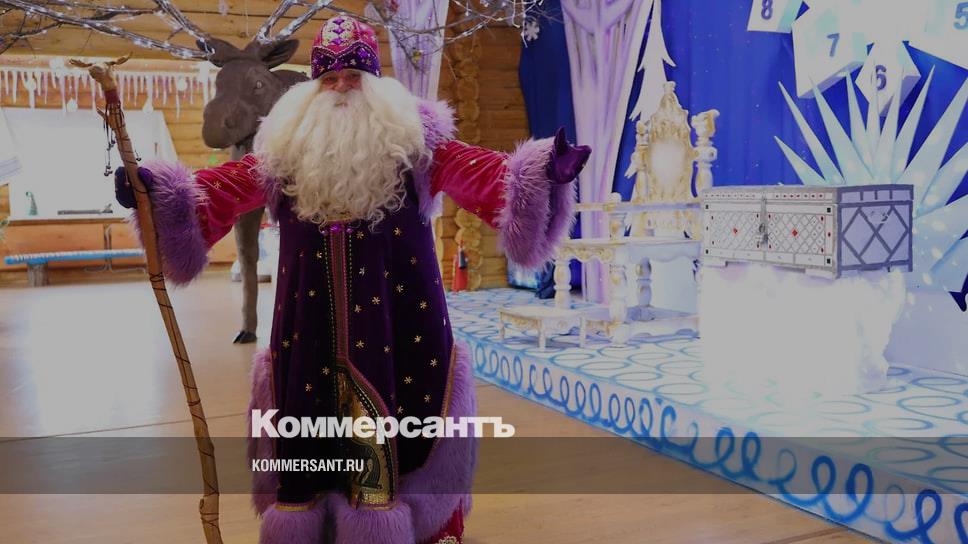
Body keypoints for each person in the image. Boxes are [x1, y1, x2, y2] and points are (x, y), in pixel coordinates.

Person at [115, 15, 589, 544]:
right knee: (307, 423)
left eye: (353, 77)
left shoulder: (415, 143)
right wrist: (157, 192)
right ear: (313, 87)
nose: (341, 88)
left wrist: (543, 170)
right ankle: (312, 525)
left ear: (376, 83)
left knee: (406, 419)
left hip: (399, 323)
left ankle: (400, 523)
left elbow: (481, 173)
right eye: (330, 79)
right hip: (306, 325)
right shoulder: (284, 151)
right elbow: (219, 190)